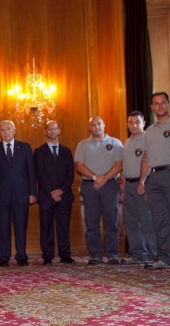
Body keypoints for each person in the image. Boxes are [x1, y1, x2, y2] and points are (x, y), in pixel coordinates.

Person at [138, 92, 170, 272]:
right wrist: (142, 181)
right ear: (152, 107)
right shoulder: (149, 131)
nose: (159, 106)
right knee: (159, 221)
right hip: (153, 178)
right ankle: (165, 258)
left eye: (162, 103)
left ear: (168, 104)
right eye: (156, 104)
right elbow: (146, 157)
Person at [0, 120, 36, 267]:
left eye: (8, 129)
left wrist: (32, 193)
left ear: (14, 131)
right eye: (2, 130)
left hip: (21, 195)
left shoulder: (25, 147)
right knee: (2, 227)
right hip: (1, 197)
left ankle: (21, 256)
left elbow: (31, 172)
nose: (6, 132)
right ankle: (3, 257)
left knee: (21, 226)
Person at [74, 116, 123, 265]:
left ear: (104, 125)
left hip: (110, 186)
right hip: (90, 186)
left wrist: (104, 178)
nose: (96, 127)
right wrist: (96, 178)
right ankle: (95, 255)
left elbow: (119, 164)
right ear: (89, 128)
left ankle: (113, 254)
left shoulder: (115, 143)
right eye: (93, 125)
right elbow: (79, 166)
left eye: (99, 124)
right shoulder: (82, 145)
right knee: (92, 221)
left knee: (111, 221)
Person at [33, 120, 75, 265]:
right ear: (45, 131)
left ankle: (65, 255)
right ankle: (47, 255)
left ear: (59, 130)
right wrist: (52, 192)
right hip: (46, 196)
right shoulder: (38, 151)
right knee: (46, 227)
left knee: (64, 226)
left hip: (64, 195)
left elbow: (70, 173)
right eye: (49, 129)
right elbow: (39, 174)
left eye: (55, 128)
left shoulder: (66, 151)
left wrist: (61, 190)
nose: (52, 131)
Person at [121, 111, 157, 265]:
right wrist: (123, 188)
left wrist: (143, 182)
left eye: (137, 122)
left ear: (144, 123)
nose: (134, 125)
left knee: (147, 221)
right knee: (131, 221)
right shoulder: (126, 143)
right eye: (131, 122)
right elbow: (124, 167)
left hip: (144, 183)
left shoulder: (148, 139)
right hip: (128, 185)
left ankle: (155, 255)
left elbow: (150, 162)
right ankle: (138, 254)